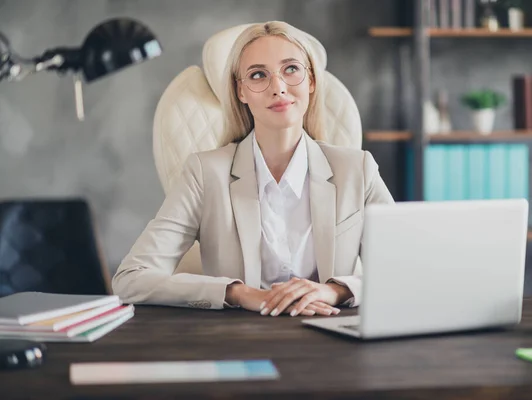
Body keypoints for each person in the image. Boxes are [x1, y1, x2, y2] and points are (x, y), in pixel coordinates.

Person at [112, 21, 394, 317]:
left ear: (311, 81)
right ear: (241, 91)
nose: (278, 87)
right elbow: (131, 279)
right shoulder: (205, 173)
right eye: (258, 75)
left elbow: (407, 267)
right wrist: (237, 293)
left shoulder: (357, 169)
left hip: (331, 336)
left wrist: (336, 290)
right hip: (238, 338)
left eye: (291, 69)